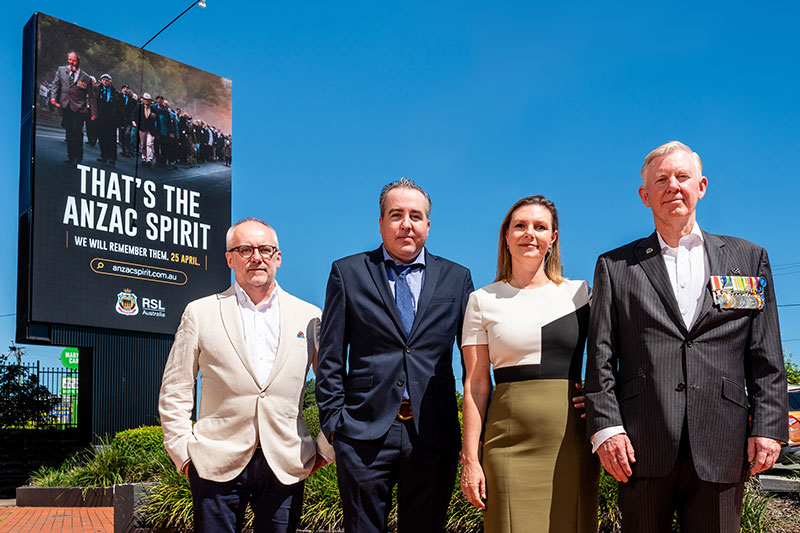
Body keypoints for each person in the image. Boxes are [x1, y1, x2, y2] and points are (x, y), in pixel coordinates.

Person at [585, 141, 788, 532]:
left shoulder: (748, 258)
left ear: (702, 186)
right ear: (645, 195)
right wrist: (607, 429)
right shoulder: (614, 266)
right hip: (640, 446)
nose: (672, 186)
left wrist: (767, 426)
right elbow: (601, 357)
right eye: (661, 180)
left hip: (723, 441)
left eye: (682, 177)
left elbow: (765, 353)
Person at [316, 178, 474, 532]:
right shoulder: (348, 272)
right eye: (396, 214)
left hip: (433, 434)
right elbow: (330, 355)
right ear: (381, 223)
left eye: (415, 216)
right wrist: (335, 425)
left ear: (428, 226)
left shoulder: (457, 278)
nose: (406, 224)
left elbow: (472, 363)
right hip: (362, 435)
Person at [159, 218, 332, 533]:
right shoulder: (199, 313)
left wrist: (324, 447)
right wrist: (183, 452)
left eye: (265, 249)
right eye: (245, 249)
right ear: (230, 258)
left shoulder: (310, 317)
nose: (257, 257)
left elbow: (332, 389)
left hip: (287, 463)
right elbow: (176, 388)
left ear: (277, 257)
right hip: (215, 463)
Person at [460, 195, 599, 532]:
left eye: (540, 227)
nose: (529, 234)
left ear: (553, 237)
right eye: (520, 226)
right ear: (505, 235)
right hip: (507, 443)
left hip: (571, 441)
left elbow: (608, 359)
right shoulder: (481, 300)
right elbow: (477, 384)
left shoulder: (581, 293)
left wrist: (596, 398)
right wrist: (470, 459)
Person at [50, 51, 96, 164]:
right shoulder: (61, 70)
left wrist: (94, 113)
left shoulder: (85, 77)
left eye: (74, 60)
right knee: (69, 132)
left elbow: (91, 96)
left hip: (79, 108)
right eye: (69, 59)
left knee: (77, 131)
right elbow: (55, 84)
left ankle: (78, 156)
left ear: (78, 61)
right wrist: (53, 97)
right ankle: (71, 156)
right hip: (66, 106)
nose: (71, 62)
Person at [94, 74, 121, 165]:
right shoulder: (97, 90)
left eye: (107, 80)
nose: (105, 81)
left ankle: (112, 157)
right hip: (101, 118)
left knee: (111, 139)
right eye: (103, 80)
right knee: (101, 137)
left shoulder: (115, 93)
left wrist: (119, 121)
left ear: (111, 81)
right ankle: (103, 155)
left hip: (111, 119)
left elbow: (119, 108)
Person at [132, 93, 157, 166]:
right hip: (142, 128)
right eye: (145, 99)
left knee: (149, 144)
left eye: (148, 100)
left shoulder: (153, 109)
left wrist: (156, 130)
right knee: (143, 144)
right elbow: (134, 114)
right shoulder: (139, 106)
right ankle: (144, 158)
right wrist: (133, 121)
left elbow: (156, 119)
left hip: (150, 129)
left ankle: (149, 159)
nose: (146, 101)